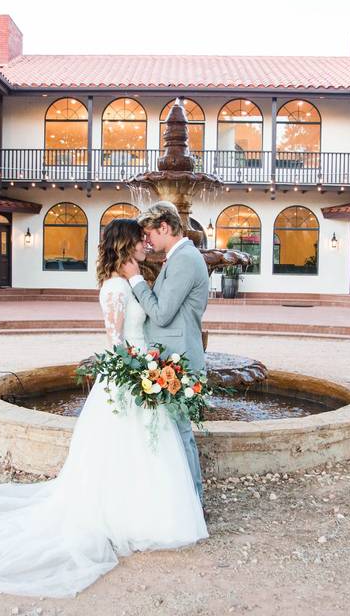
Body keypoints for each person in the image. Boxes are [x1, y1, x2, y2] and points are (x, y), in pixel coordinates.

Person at [0, 218, 207, 598]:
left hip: (147, 370)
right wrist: (142, 371)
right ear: (124, 246)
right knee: (126, 447)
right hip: (129, 378)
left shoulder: (132, 281)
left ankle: (145, 511)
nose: (146, 244)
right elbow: (116, 340)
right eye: (140, 240)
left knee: (148, 447)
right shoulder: (114, 287)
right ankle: (121, 514)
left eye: (148, 238)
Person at [120, 201, 210, 505]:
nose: (147, 241)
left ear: (165, 227)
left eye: (150, 234)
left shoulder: (184, 259)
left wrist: (135, 279)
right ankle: (181, 502)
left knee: (182, 433)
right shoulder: (177, 257)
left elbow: (161, 314)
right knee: (175, 434)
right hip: (171, 359)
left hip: (180, 360)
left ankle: (193, 503)